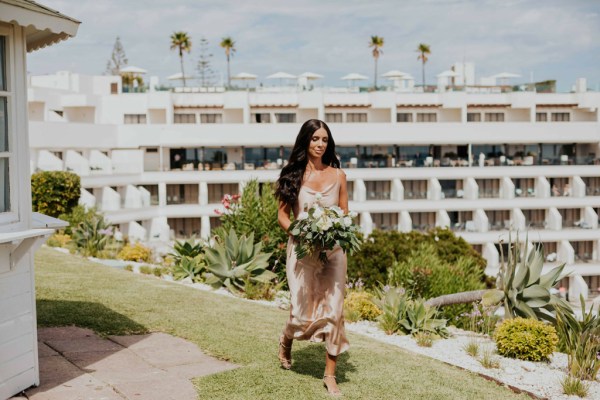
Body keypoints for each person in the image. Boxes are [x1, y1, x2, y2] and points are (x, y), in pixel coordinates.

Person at [275, 119, 349, 397]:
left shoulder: (339, 176)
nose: (320, 144)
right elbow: (282, 215)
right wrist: (300, 232)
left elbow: (344, 212)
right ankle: (286, 338)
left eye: (325, 140)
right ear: (305, 141)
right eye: (315, 139)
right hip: (302, 251)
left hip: (333, 253)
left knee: (335, 310)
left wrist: (339, 231)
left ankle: (330, 375)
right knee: (300, 312)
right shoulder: (292, 174)